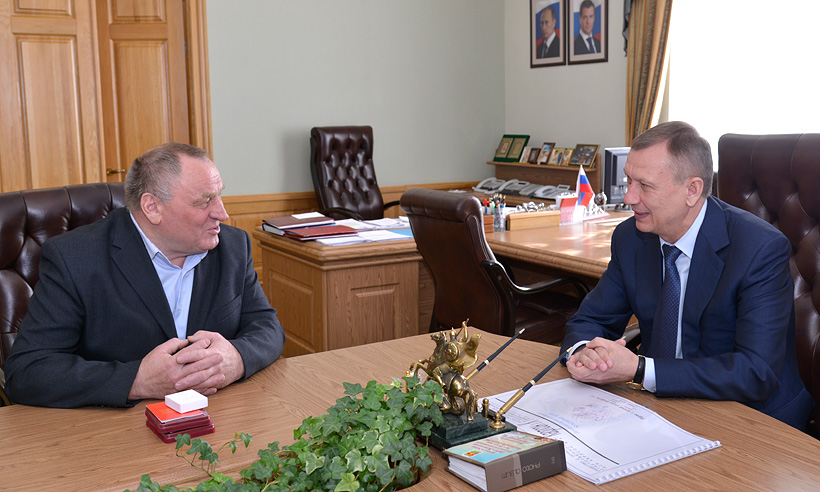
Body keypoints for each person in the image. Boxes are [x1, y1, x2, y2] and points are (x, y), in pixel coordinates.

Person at [561, 121, 814, 430]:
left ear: (692, 190)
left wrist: (640, 369)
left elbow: (756, 372)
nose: (629, 197)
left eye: (645, 186)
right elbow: (591, 319)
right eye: (628, 181)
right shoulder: (631, 238)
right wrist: (584, 353)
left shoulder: (759, 248)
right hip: (656, 408)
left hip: (750, 417)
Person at [5, 143, 286, 408]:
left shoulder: (232, 246)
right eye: (204, 201)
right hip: (114, 428)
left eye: (219, 195)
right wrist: (136, 381)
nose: (222, 213)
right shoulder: (74, 258)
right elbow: (28, 371)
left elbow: (267, 327)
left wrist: (237, 358)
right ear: (152, 207)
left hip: (220, 414)